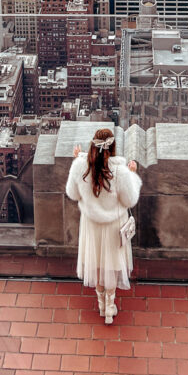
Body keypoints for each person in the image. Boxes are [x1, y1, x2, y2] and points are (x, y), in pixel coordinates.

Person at [65, 127, 141, 324]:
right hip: (114, 225)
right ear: (113, 147)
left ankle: (100, 304)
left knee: (97, 263)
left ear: (92, 144)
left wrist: (77, 161)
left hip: (91, 225)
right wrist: (132, 174)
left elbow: (72, 194)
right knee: (112, 264)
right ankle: (109, 308)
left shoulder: (80, 167)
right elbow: (130, 199)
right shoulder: (120, 172)